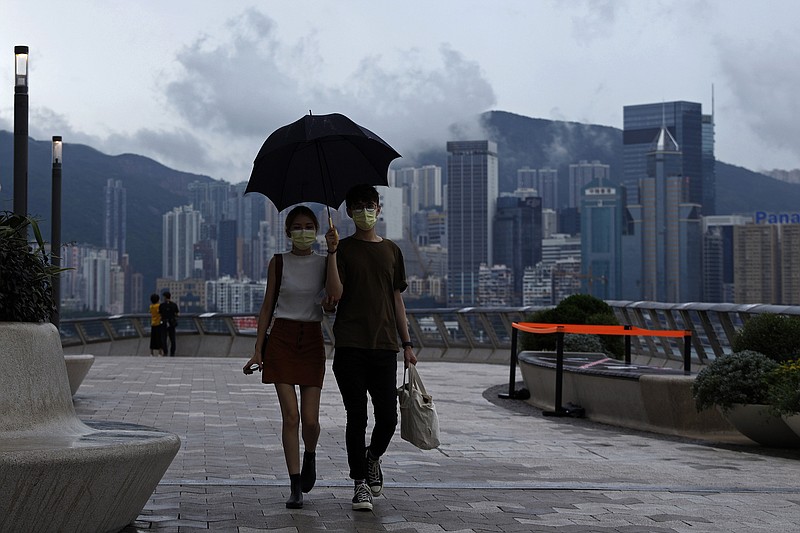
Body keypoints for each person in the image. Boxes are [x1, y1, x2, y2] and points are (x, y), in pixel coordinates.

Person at [243, 205, 341, 510]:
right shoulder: (279, 263)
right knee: (291, 417)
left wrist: (334, 252)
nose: (303, 231)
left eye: (309, 226)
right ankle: (295, 483)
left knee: (310, 420)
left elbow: (335, 296)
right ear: (288, 232)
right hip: (282, 340)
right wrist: (258, 348)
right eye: (297, 227)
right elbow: (266, 306)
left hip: (312, 339)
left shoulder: (325, 262)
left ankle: (310, 453)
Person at [330, 184, 417, 512]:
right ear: (349, 212)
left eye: (369, 205)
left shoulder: (392, 251)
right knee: (357, 415)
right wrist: (332, 253)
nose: (364, 211)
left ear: (378, 209)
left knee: (389, 417)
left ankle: (372, 457)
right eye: (357, 206)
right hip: (350, 344)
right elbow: (334, 295)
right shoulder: (343, 249)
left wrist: (407, 344)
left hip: (384, 346)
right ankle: (359, 483)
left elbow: (397, 300)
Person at [159, 291, 180, 357]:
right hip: (172, 323)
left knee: (163, 338)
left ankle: (165, 352)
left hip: (164, 323)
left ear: (165, 297)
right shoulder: (174, 305)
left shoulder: (162, 305)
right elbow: (177, 314)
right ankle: (172, 352)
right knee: (172, 339)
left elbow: (160, 314)